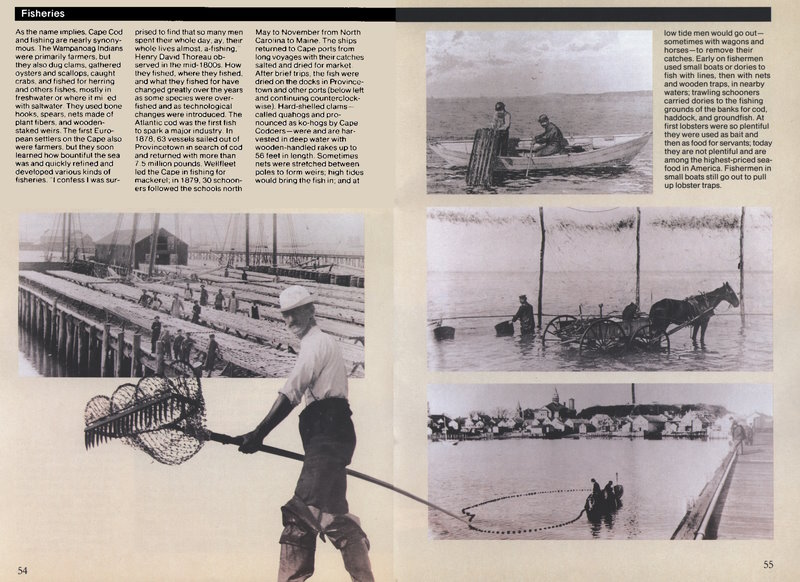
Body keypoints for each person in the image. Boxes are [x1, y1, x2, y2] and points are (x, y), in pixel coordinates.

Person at [238, 286, 374, 582]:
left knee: (299, 517)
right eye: (285, 315)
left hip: (327, 436)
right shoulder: (323, 344)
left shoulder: (315, 344)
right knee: (334, 517)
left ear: (311, 311)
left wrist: (258, 433)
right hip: (331, 436)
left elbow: (291, 393)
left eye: (296, 312)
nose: (289, 321)